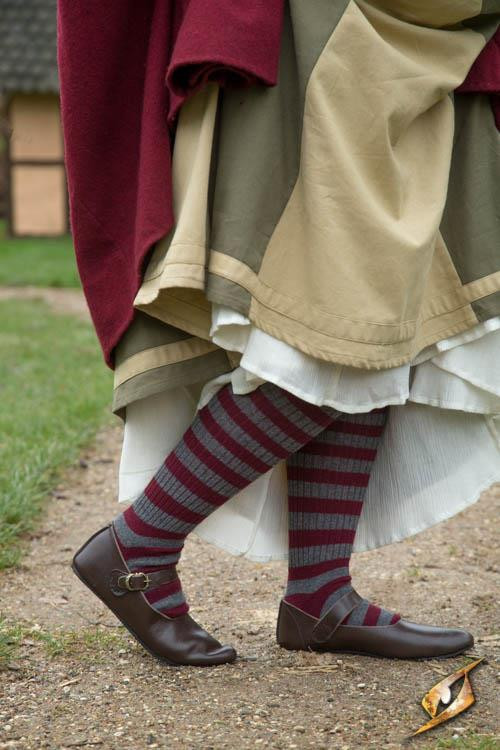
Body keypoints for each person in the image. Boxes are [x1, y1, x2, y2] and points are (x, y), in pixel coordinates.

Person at [61, 1, 500, 667]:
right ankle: (139, 546)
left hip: (403, 55)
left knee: (382, 319)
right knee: (336, 324)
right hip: (324, 43)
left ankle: (319, 595)